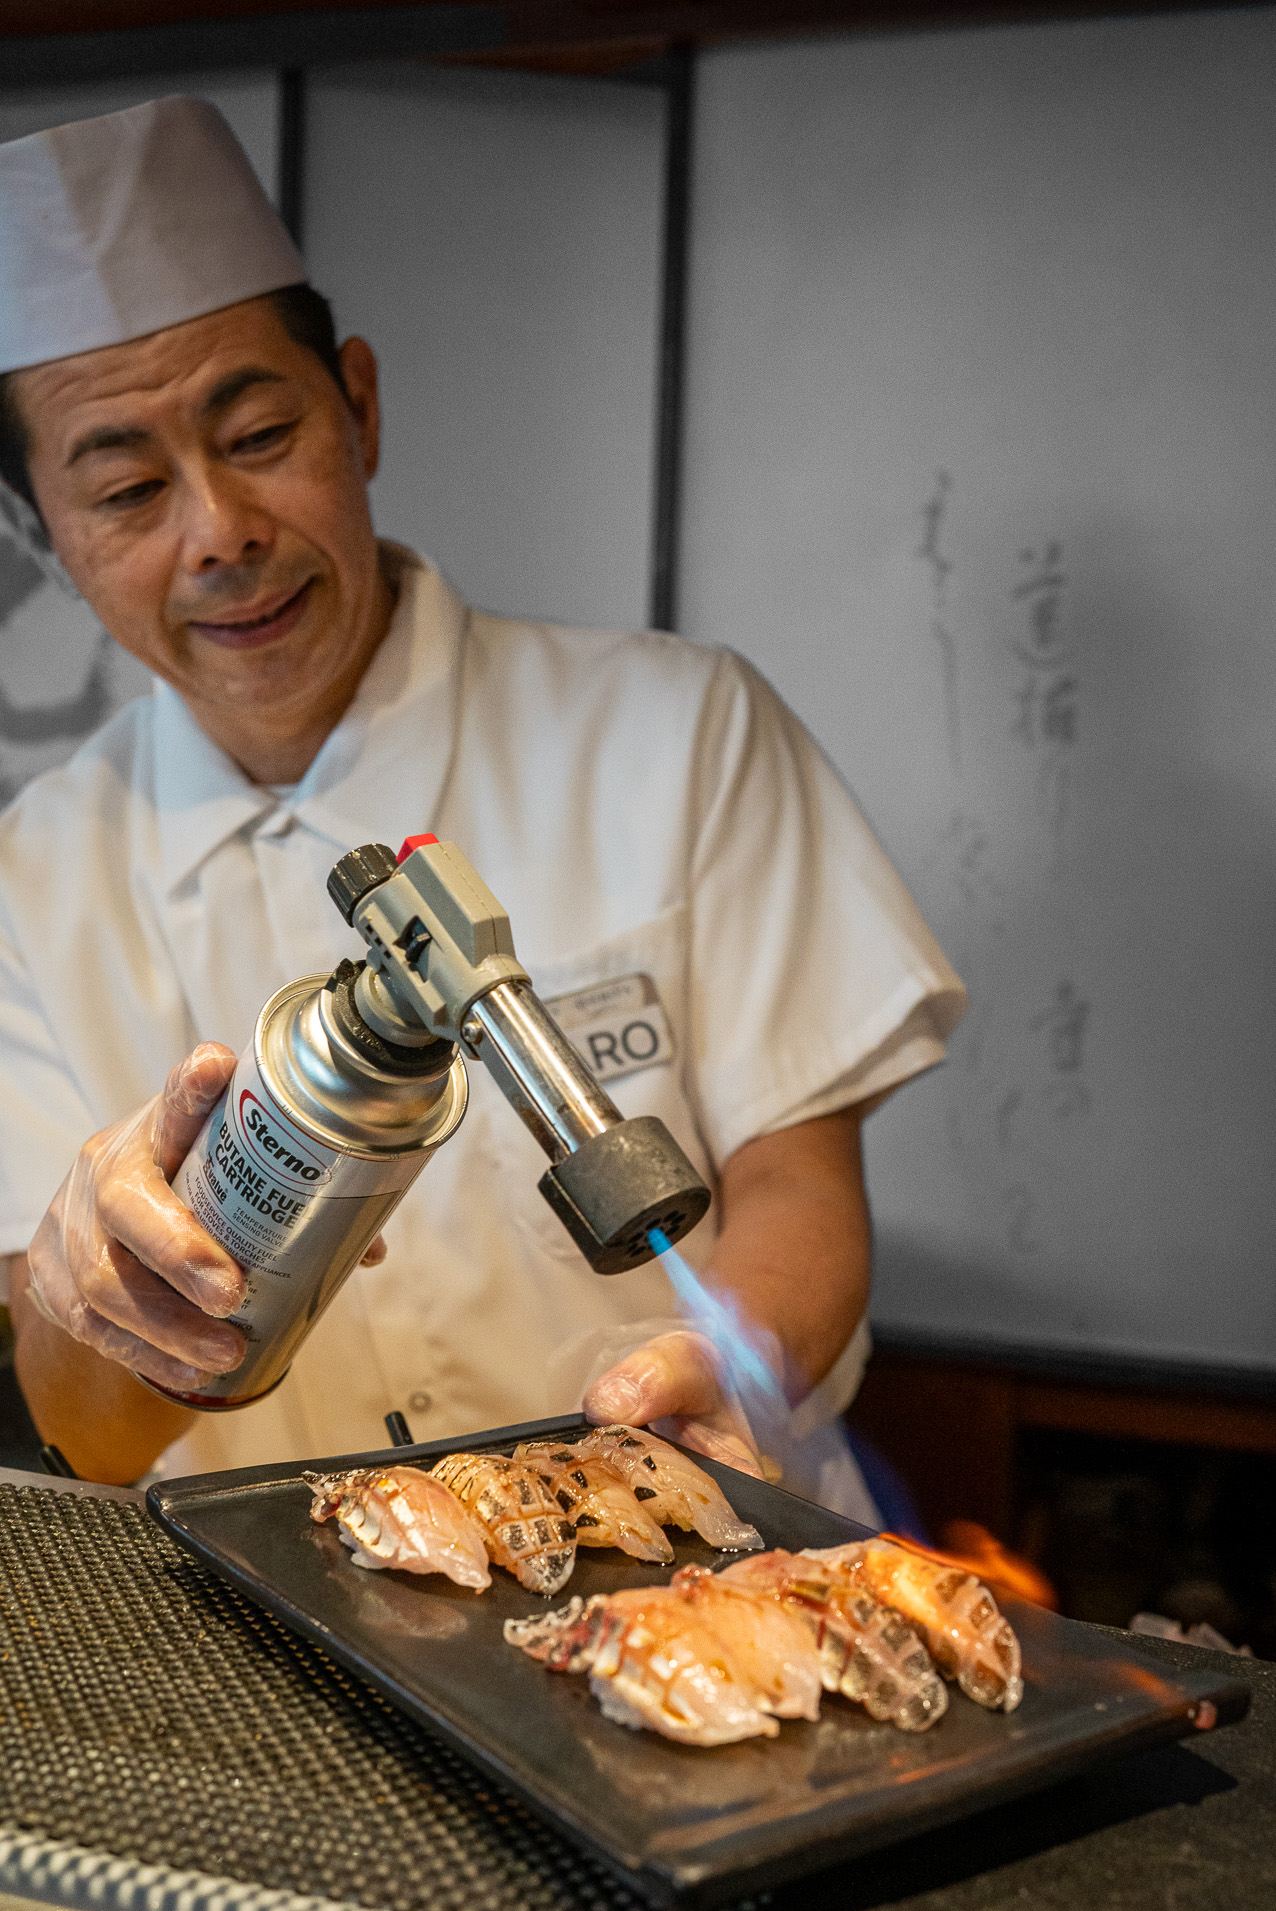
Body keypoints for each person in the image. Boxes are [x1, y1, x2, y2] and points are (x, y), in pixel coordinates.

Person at [0, 97, 965, 1506]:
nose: (221, 536)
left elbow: (795, 1185)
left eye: (260, 431)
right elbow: (84, 1431)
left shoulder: (677, 731)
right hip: (293, 1640)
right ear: (44, 537)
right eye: (130, 490)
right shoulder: (32, 883)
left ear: (361, 405)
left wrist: (723, 1360)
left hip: (692, 1549)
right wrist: (100, 1298)